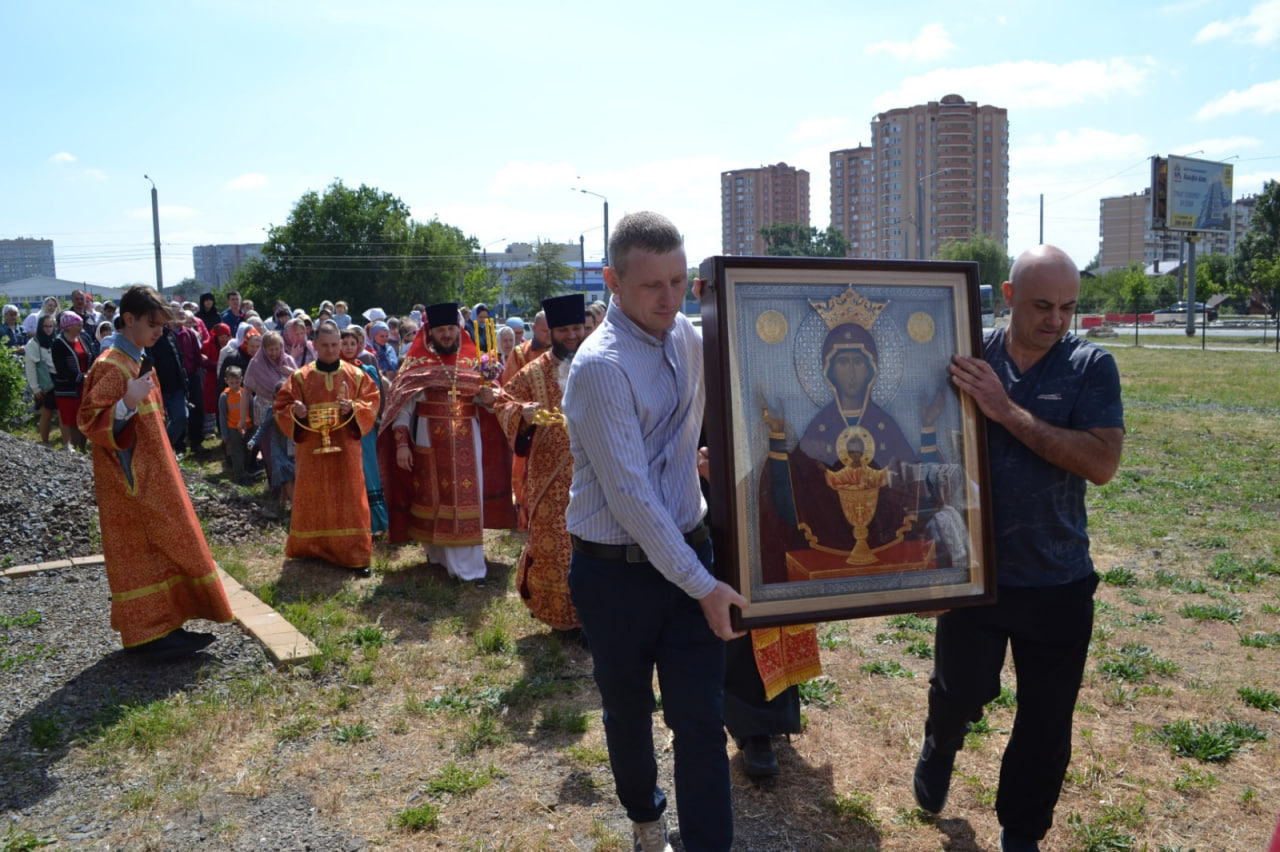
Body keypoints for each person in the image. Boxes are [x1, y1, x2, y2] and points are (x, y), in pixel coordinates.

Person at [911, 245, 1124, 852]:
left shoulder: (1090, 366)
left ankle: (1023, 829)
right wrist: (920, 561)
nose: (1057, 319)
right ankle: (941, 741)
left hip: (1058, 577)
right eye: (1042, 305)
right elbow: (921, 448)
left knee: (1048, 719)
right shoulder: (963, 354)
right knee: (960, 691)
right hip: (975, 575)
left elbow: (1102, 463)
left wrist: (1006, 411)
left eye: (1068, 307)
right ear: (1007, 297)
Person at [562, 211, 746, 852]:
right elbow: (633, 499)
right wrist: (704, 584)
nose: (670, 298)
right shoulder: (599, 367)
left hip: (690, 553)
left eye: (679, 279)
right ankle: (645, 818)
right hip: (617, 572)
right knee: (630, 715)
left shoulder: (687, 338)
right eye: (652, 286)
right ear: (613, 281)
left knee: (701, 719)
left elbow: (713, 417)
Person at [77, 286, 234, 660]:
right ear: (128, 320)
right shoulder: (110, 365)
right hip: (132, 483)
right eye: (154, 324)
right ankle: (147, 634)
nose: (160, 332)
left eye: (163, 325)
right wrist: (124, 403)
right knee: (144, 549)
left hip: (154, 476)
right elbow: (89, 421)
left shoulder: (137, 361)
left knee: (166, 544)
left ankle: (166, 623)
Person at [380, 303, 499, 585]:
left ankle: (469, 566)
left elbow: (490, 403)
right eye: (440, 330)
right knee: (435, 497)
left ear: (458, 330)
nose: (447, 335)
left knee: (466, 495)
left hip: (468, 435)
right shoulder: (417, 362)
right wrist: (401, 445)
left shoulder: (474, 360)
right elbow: (402, 408)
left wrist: (490, 396)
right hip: (428, 435)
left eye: (451, 329)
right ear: (429, 332)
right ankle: (440, 554)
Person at [494, 293, 586, 637]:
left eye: (578, 328)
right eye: (564, 330)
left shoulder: (599, 362)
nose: (572, 335)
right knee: (554, 544)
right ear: (551, 331)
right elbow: (503, 402)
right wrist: (523, 414)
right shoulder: (533, 372)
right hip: (549, 475)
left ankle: (593, 615)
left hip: (597, 474)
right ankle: (560, 614)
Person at [274, 321, 380, 576]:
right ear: (316, 345)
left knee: (351, 498)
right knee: (314, 495)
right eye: (326, 345)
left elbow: (372, 401)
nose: (332, 350)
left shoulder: (356, 375)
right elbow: (280, 407)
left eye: (336, 345)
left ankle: (354, 553)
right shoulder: (301, 377)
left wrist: (353, 409)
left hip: (347, 448)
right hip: (311, 450)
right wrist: (295, 411)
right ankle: (311, 548)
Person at [341, 328, 388, 535]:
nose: (349, 347)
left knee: (368, 469)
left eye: (353, 343)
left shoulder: (367, 369)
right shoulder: (333, 370)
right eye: (345, 343)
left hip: (363, 427)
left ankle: (375, 522)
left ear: (359, 345)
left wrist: (354, 406)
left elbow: (373, 398)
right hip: (340, 427)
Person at [51, 311, 92, 451]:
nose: (81, 327)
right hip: (68, 387)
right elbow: (61, 368)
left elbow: (90, 357)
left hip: (85, 386)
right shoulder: (58, 343)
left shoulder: (83, 339)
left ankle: (83, 447)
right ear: (68, 326)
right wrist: (81, 377)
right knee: (71, 419)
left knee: (84, 417)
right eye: (78, 325)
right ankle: (71, 446)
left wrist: (90, 374)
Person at [23, 313, 58, 445]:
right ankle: (45, 442)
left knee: (61, 413)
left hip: (57, 380)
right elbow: (30, 368)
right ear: (40, 327)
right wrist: (35, 388)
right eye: (45, 326)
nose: (48, 329)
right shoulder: (33, 344)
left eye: (51, 326)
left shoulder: (57, 340)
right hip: (43, 382)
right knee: (46, 413)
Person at [219, 366, 254, 483]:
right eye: (232, 382)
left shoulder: (246, 393)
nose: (235, 385)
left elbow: (252, 410)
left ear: (242, 379)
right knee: (237, 451)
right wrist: (224, 434)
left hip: (248, 427)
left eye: (237, 382)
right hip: (233, 428)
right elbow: (223, 416)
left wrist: (254, 425)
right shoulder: (224, 397)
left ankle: (247, 470)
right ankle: (239, 475)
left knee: (248, 449)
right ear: (226, 381)